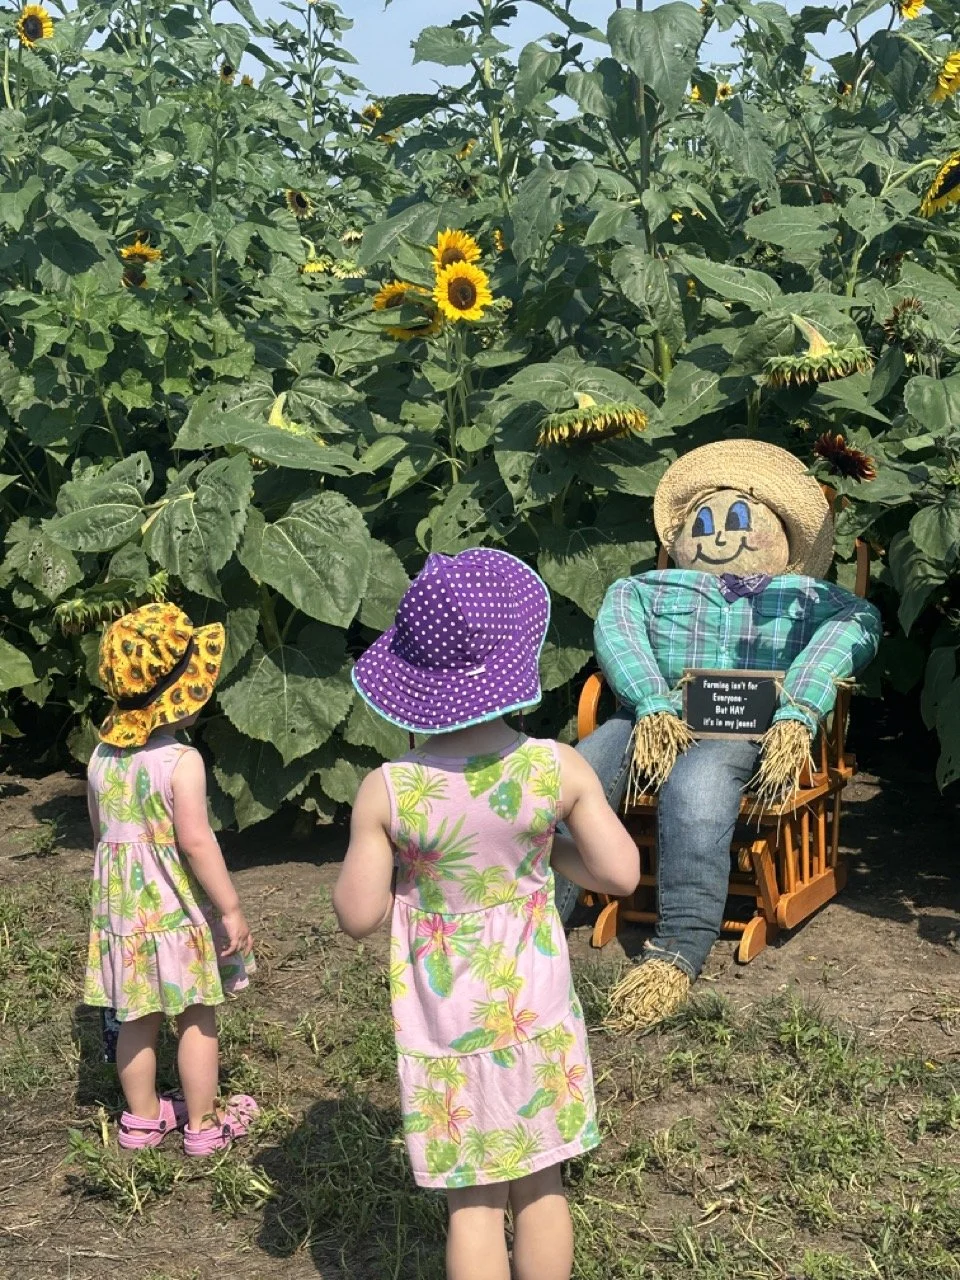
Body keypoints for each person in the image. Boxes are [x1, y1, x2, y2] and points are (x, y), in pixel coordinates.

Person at [333, 548, 639, 1280]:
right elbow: (620, 873)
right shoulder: (555, 768)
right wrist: (546, 851)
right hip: (534, 1011)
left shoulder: (390, 790)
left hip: (445, 1021)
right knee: (540, 1181)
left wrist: (405, 863)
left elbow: (357, 914)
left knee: (473, 1202)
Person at [552, 440, 882, 1029]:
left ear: (783, 538)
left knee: (697, 788)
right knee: (575, 773)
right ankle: (534, 917)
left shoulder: (809, 598)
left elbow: (855, 629)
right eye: (703, 523)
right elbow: (619, 634)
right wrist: (653, 702)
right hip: (651, 716)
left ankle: (678, 947)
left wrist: (799, 707)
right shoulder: (645, 589)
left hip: (746, 727)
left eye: (739, 523)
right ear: (678, 537)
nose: (721, 537)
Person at [82, 603, 258, 1155]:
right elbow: (196, 841)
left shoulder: (99, 759)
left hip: (121, 918)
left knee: (135, 1017)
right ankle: (204, 1127)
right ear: (184, 692)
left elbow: (100, 831)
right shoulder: (181, 762)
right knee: (196, 1016)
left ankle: (140, 1120)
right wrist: (229, 907)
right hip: (174, 914)